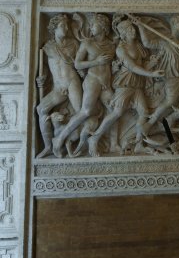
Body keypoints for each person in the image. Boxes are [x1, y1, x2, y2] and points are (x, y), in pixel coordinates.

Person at [87, 18, 163, 157]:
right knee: (117, 112)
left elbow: (141, 66)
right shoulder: (121, 49)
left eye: (132, 28)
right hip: (125, 84)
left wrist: (152, 64)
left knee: (144, 112)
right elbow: (132, 67)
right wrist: (151, 74)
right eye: (129, 29)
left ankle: (139, 145)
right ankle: (94, 138)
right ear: (123, 34)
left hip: (137, 84)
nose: (132, 31)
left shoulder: (139, 45)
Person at [52, 13, 116, 157]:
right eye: (90, 24)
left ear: (103, 27)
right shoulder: (87, 43)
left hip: (105, 84)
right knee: (86, 111)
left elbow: (110, 66)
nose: (91, 27)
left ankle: (106, 142)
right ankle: (60, 139)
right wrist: (96, 62)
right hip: (92, 80)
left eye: (93, 25)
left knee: (115, 111)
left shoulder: (111, 45)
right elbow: (78, 64)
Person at [36, 14, 82, 158]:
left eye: (67, 25)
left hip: (72, 82)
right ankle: (48, 146)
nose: (66, 28)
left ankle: (66, 139)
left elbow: (80, 64)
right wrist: (41, 78)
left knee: (81, 113)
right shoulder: (48, 47)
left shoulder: (73, 44)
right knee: (41, 109)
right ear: (54, 28)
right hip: (58, 87)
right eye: (63, 25)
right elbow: (43, 67)